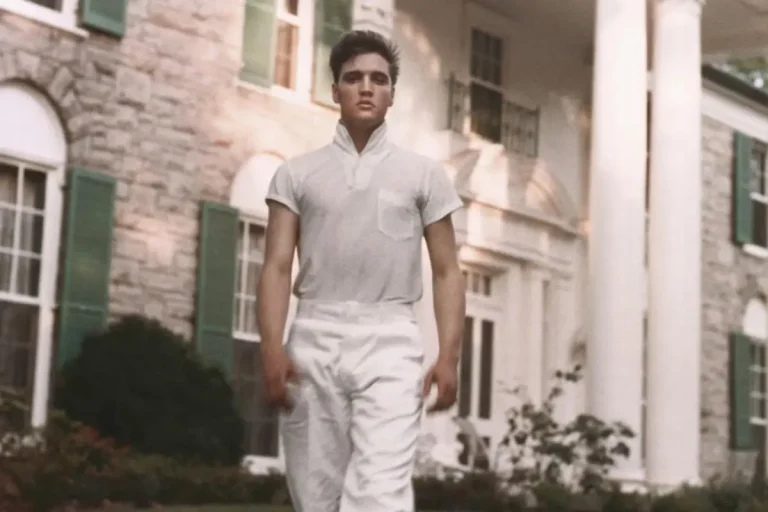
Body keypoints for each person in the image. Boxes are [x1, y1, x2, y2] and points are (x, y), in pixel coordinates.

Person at [257, 29, 465, 512]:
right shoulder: (296, 174)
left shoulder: (424, 175)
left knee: (379, 495)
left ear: (393, 92)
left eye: (379, 79)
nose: (366, 87)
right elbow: (274, 266)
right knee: (316, 496)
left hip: (391, 340)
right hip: (313, 336)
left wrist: (448, 355)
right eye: (353, 78)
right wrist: (271, 348)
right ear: (335, 91)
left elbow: (448, 271)